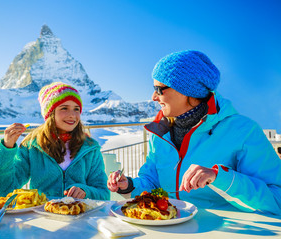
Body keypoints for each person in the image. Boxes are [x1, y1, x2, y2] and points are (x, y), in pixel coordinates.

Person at [107, 50, 281, 215]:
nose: (153, 97)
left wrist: (219, 177)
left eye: (159, 89)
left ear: (187, 90)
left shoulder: (244, 131)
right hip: (168, 227)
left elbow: (276, 200)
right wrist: (129, 186)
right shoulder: (160, 131)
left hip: (224, 231)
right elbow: (152, 183)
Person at [0, 82, 110, 200]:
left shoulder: (90, 148)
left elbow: (103, 193)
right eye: (64, 108)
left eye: (76, 109)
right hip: (43, 217)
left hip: (80, 215)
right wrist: (6, 148)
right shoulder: (32, 146)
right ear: (50, 113)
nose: (72, 115)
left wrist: (85, 192)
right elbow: (1, 192)